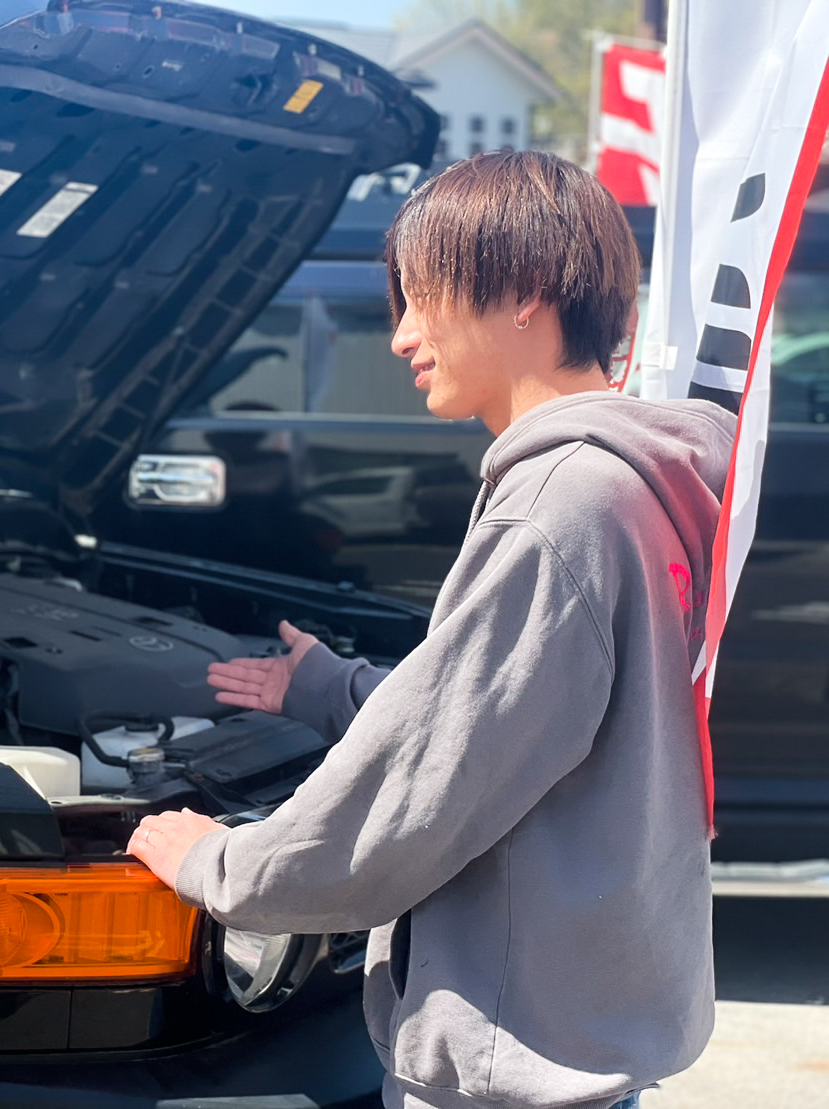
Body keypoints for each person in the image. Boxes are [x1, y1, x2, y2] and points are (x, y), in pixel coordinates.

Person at [128, 151, 736, 1109]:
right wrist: (329, 687)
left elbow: (414, 792)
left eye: (423, 298)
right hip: (589, 1019)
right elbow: (516, 715)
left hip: (514, 1058)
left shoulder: (558, 501)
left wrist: (214, 860)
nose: (404, 335)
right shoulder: (632, 483)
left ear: (527, 290)